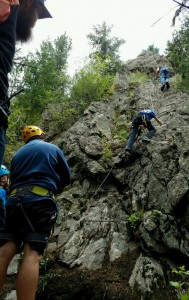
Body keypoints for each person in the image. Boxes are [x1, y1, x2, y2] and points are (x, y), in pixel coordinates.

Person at [0, 125, 71, 300]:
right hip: (39, 201)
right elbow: (66, 177)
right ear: (41, 135)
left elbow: (13, 181)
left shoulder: (17, 155)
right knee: (32, 254)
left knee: (4, 251)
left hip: (13, 202)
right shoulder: (52, 148)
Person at [0, 0, 52, 165]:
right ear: (29, 3)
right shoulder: (7, 5)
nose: (36, 21)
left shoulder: (19, 155)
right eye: (39, 12)